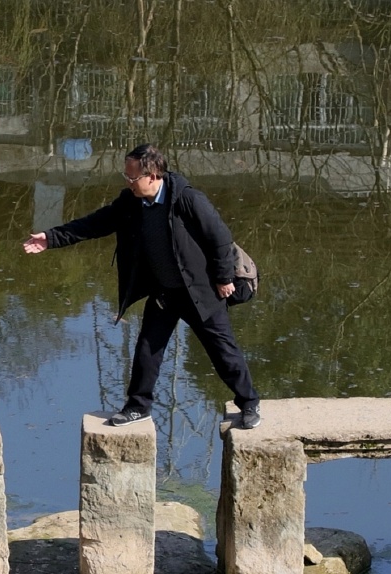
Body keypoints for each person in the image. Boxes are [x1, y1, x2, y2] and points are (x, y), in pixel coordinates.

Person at [23, 144, 260, 430]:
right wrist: (51, 238)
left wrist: (223, 278)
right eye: (126, 176)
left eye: (133, 177)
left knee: (223, 351)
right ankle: (138, 407)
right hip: (164, 293)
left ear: (153, 175)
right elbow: (95, 223)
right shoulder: (131, 202)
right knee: (147, 349)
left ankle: (249, 403)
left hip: (199, 291)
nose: (128, 182)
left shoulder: (187, 199)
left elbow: (220, 238)